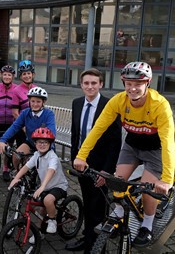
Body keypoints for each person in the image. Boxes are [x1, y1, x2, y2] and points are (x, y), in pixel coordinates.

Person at [73, 62, 175, 247]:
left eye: (138, 84)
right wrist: (81, 156)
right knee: (117, 184)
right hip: (132, 145)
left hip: (155, 150)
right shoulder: (118, 101)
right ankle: (119, 213)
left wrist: (166, 179)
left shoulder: (160, 105)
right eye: (128, 83)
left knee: (148, 192)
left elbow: (168, 141)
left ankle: (147, 225)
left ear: (148, 83)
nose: (133, 88)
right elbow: (98, 129)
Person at [65, 68, 121, 252]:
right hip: (82, 164)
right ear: (81, 85)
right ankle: (87, 238)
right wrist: (74, 159)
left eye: (94, 83)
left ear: (101, 84)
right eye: (86, 83)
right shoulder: (77, 103)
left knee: (99, 208)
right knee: (88, 203)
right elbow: (75, 135)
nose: (90, 86)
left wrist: (107, 171)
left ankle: (97, 247)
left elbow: (115, 143)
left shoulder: (110, 106)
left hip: (101, 166)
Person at [8, 127, 68, 236]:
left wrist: (42, 186)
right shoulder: (36, 155)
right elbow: (26, 166)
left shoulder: (52, 157)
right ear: (35, 144)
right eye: (39, 142)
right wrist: (17, 177)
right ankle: (41, 232)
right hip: (45, 186)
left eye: (45, 142)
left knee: (48, 200)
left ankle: (52, 220)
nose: (42, 145)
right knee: (41, 209)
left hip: (58, 186)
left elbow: (51, 171)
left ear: (50, 144)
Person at [0, 87, 56, 169]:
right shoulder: (26, 113)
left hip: (45, 145)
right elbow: (14, 127)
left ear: (43, 102)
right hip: (31, 142)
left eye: (38, 101)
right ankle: (20, 177)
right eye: (33, 101)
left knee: (45, 167)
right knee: (16, 156)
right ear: (29, 101)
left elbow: (52, 132)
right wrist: (3, 140)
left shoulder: (49, 114)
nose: (35, 104)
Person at [11, 60, 37, 146]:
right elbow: (15, 113)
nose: (27, 76)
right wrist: (24, 127)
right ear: (21, 76)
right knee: (22, 155)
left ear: (33, 74)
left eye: (29, 73)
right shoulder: (16, 91)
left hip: (35, 126)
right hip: (22, 128)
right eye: (24, 74)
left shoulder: (36, 89)